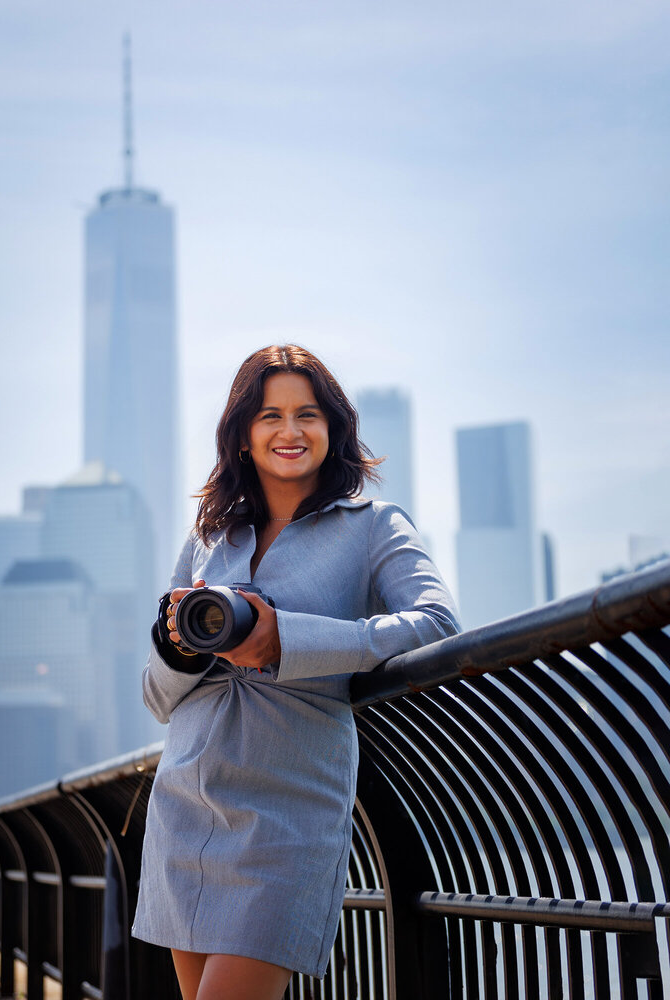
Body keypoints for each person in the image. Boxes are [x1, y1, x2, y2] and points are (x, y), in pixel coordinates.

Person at [131, 344, 460, 1000]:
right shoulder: (207, 539)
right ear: (243, 436)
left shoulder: (373, 527)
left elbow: (438, 624)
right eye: (269, 415)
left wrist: (288, 641)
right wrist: (182, 651)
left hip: (289, 814)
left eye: (307, 414)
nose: (289, 431)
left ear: (333, 427)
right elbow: (156, 697)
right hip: (188, 805)